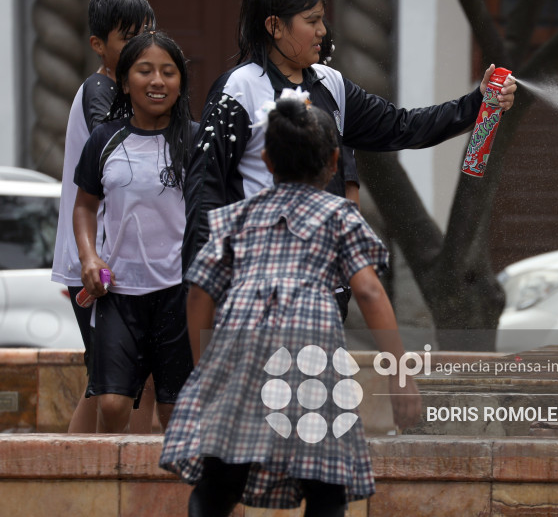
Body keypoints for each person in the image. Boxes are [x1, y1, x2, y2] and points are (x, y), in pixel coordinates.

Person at [160, 93, 422, 517]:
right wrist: (400, 374)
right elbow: (370, 292)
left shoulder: (238, 217)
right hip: (310, 349)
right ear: (335, 162)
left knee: (222, 476)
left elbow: (198, 292)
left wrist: (205, 367)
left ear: (265, 160)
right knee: (324, 482)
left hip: (240, 345)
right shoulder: (339, 215)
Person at [182, 0, 517, 289]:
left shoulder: (332, 84)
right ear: (275, 26)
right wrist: (205, 289)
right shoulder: (237, 89)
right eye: (311, 21)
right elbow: (205, 191)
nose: (322, 31)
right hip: (257, 279)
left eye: (321, 19)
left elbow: (402, 126)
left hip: (325, 281)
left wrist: (476, 102)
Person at [72, 30, 196, 432]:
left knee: (174, 413)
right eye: (145, 71)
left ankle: (177, 494)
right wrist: (90, 257)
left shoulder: (196, 141)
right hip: (119, 291)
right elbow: (85, 206)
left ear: (180, 82)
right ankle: (112, 490)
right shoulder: (104, 140)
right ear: (125, 82)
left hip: (181, 293)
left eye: (168, 72)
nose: (157, 81)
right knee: (110, 403)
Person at [50, 0, 159, 433]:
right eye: (128, 37)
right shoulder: (101, 89)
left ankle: (103, 480)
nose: (141, 45)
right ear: (98, 45)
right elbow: (115, 155)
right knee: (115, 381)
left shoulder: (126, 89)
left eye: (148, 33)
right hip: (98, 263)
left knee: (122, 379)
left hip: (118, 261)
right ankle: (89, 482)